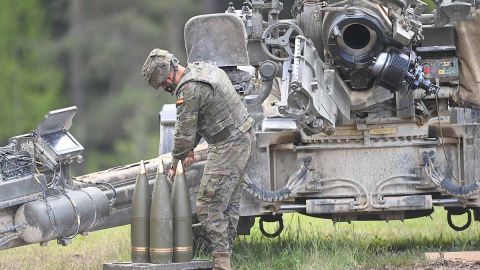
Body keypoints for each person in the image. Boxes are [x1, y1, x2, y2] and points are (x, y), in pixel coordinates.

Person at [141, 48, 255, 270]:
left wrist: (176, 162)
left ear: (170, 73)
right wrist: (189, 148)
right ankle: (226, 256)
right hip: (241, 136)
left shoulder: (189, 89)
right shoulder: (202, 69)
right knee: (228, 203)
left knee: (208, 205)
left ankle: (221, 262)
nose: (166, 88)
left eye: (164, 83)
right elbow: (204, 117)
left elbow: (183, 133)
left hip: (228, 145)